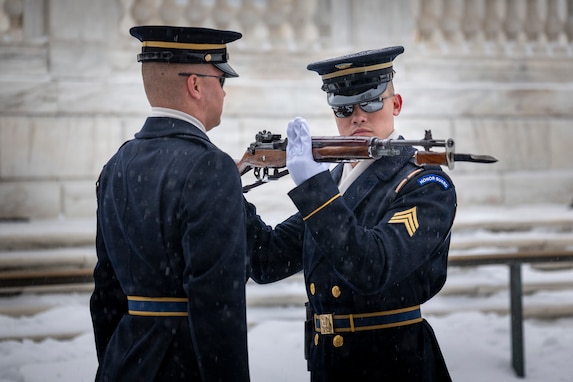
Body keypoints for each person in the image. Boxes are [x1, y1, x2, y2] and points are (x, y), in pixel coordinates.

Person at [247, 47, 457, 381]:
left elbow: (372, 267)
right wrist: (226, 188)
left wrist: (314, 188)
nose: (357, 116)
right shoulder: (335, 184)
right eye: (344, 107)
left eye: (371, 102)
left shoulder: (425, 184)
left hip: (392, 364)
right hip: (329, 364)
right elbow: (266, 261)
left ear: (396, 104)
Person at [90, 25, 250, 381]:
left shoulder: (117, 164)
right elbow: (216, 303)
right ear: (195, 85)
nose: (224, 94)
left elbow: (105, 292)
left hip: (125, 362)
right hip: (183, 366)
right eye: (221, 81)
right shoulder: (210, 166)